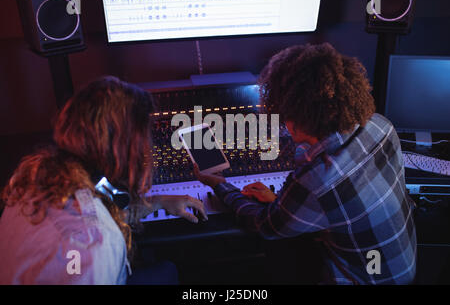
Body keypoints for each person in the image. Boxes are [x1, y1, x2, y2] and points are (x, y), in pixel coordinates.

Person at [194, 43, 417, 285]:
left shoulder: (317, 178)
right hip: (401, 265)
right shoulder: (381, 126)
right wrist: (283, 203)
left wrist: (220, 185)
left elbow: (266, 226)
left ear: (295, 117)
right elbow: (352, 204)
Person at [0, 76, 207, 285]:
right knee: (167, 272)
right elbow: (91, 228)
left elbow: (102, 211)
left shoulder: (34, 177)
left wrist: (159, 202)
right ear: (124, 149)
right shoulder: (95, 244)